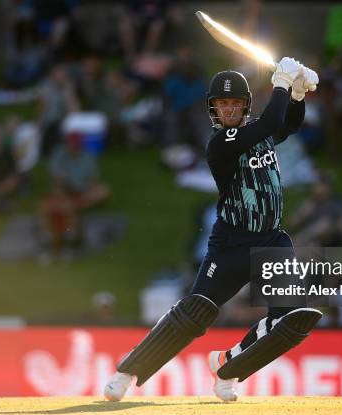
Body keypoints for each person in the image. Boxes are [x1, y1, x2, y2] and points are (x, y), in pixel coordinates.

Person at [104, 58, 321, 402]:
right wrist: (281, 82)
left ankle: (228, 368)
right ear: (214, 110)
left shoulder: (260, 133)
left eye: (236, 103)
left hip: (271, 240)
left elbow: (287, 124)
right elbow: (270, 122)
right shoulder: (221, 144)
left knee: (290, 319)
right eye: (223, 104)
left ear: (245, 105)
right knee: (197, 311)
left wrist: (297, 94)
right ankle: (127, 371)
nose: (230, 109)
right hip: (231, 244)